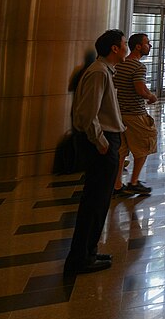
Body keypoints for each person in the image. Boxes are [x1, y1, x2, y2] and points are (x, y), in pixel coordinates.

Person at [66, 28, 127, 275]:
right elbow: (87, 114)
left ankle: (89, 252)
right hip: (101, 145)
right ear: (114, 48)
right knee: (94, 203)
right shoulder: (99, 73)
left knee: (100, 202)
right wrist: (101, 142)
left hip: (107, 142)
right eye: (124, 43)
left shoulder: (105, 71)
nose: (126, 48)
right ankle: (80, 257)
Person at [113, 32, 158, 197]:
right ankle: (133, 182)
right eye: (147, 43)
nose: (150, 45)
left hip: (119, 114)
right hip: (135, 114)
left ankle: (117, 185)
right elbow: (140, 89)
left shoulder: (119, 65)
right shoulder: (138, 66)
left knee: (121, 151)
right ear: (138, 46)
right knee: (144, 146)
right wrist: (150, 96)